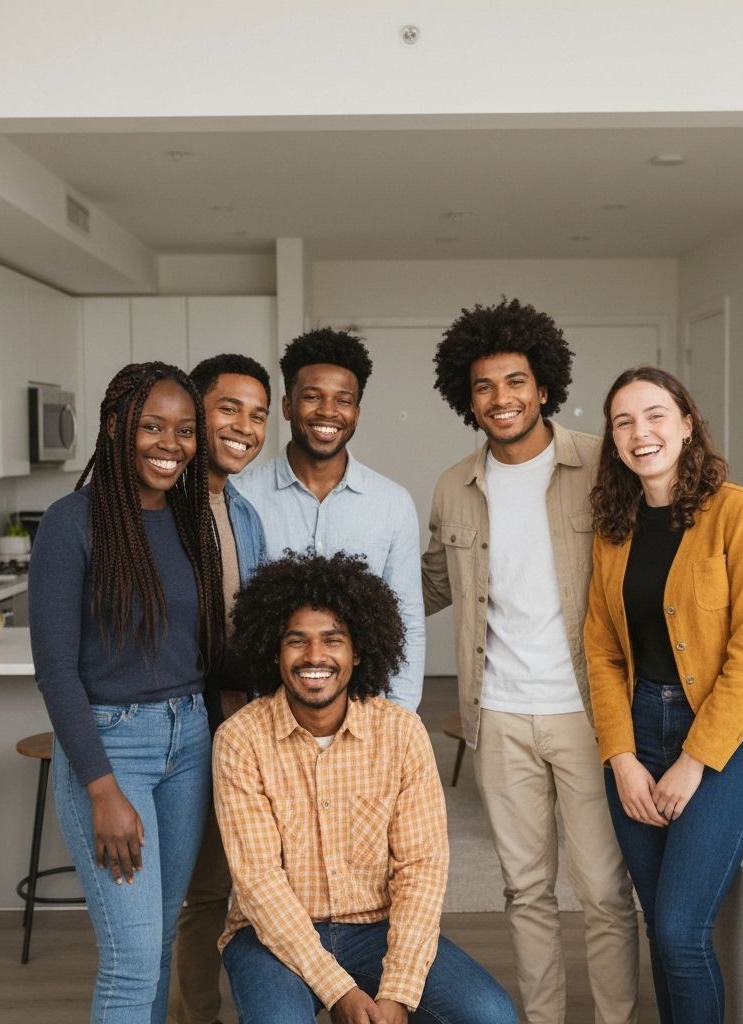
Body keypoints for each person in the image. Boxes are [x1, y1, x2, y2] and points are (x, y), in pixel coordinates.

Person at [421, 298, 639, 1024]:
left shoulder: (601, 464)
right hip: (499, 715)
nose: (500, 398)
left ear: (543, 386)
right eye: (483, 386)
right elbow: (427, 584)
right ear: (467, 398)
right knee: (525, 890)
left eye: (515, 381)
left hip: (589, 711)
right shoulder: (454, 485)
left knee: (604, 891)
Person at [213, 550, 517, 1024]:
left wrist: (397, 990)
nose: (315, 656)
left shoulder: (400, 732)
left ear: (357, 651)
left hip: (376, 928)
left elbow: (421, 870)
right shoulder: (240, 739)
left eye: (332, 640)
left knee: (491, 1015)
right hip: (270, 934)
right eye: (297, 641)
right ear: (274, 652)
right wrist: (340, 991)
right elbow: (259, 883)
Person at [583, 365, 743, 1024]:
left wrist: (695, 761)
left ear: (688, 424)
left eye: (655, 415)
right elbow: (603, 651)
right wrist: (620, 756)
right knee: (659, 928)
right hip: (638, 733)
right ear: (613, 441)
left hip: (727, 740)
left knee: (681, 931)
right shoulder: (614, 527)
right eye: (623, 422)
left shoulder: (742, 514)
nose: (640, 432)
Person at [29, 361, 223, 1024]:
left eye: (185, 430)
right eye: (152, 426)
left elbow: (197, 651)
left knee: (159, 941)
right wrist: (102, 789)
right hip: (114, 750)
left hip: (190, 741)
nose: (171, 444)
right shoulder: (71, 522)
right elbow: (56, 670)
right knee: (132, 957)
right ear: (115, 426)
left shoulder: (190, 519)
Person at [234, 327, 424, 710]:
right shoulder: (241, 496)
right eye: (312, 396)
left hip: (364, 713)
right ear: (287, 406)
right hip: (267, 713)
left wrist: (401, 717)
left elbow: (408, 620)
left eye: (343, 400)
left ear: (357, 413)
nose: (328, 411)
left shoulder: (393, 504)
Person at [168, 353, 271, 1024]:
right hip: (179, 728)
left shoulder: (244, 514)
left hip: (239, 726)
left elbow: (247, 624)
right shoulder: (156, 508)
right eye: (228, 408)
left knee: (219, 886)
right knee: (183, 896)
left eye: (257, 415)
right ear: (193, 412)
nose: (244, 427)